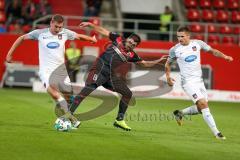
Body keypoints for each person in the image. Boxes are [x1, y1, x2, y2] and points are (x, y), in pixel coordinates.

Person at [69, 21, 168, 131]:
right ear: (128, 39)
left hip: (110, 76)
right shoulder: (118, 39)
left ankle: (119, 120)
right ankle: (68, 115)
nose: (131, 46)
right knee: (86, 91)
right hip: (98, 70)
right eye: (130, 42)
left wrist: (159, 61)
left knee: (127, 93)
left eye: (133, 45)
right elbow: (103, 31)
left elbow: (145, 64)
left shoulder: (132, 55)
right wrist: (91, 25)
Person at [5, 14, 97, 128]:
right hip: (46, 70)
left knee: (68, 97)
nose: (58, 29)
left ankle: (66, 116)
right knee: (54, 93)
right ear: (51, 23)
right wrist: (9, 54)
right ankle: (72, 119)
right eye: (56, 27)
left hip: (61, 71)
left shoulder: (65, 33)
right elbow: (21, 38)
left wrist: (91, 39)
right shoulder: (39, 33)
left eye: (60, 27)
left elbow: (78, 36)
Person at [165, 26, 233, 139]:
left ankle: (180, 113)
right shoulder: (174, 49)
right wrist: (168, 77)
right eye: (178, 36)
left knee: (201, 109)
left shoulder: (198, 44)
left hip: (199, 81)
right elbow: (167, 64)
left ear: (188, 36)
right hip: (187, 82)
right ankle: (217, 133)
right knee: (203, 104)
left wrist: (225, 56)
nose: (180, 39)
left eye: (182, 36)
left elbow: (213, 51)